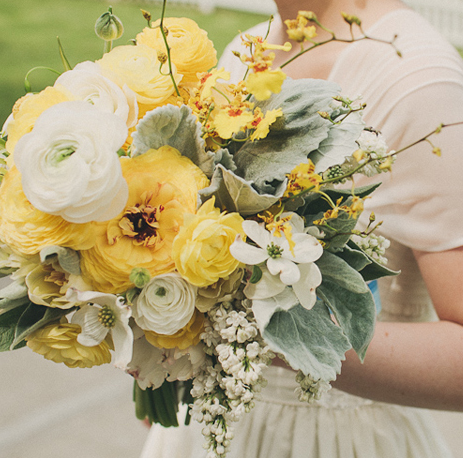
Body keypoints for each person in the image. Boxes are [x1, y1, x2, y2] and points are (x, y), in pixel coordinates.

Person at [141, 0, 463, 456]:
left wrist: (266, 333)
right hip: (207, 433)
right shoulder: (243, 53)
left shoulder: (414, 77)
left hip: (336, 441)